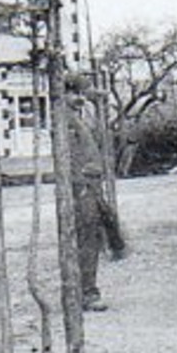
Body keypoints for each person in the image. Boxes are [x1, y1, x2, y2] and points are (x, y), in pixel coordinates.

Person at [66, 77, 124, 310]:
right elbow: (68, 159)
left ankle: (88, 287)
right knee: (87, 239)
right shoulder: (66, 121)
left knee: (99, 232)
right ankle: (86, 293)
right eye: (77, 94)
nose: (81, 98)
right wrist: (79, 183)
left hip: (91, 184)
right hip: (81, 186)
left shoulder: (79, 117)